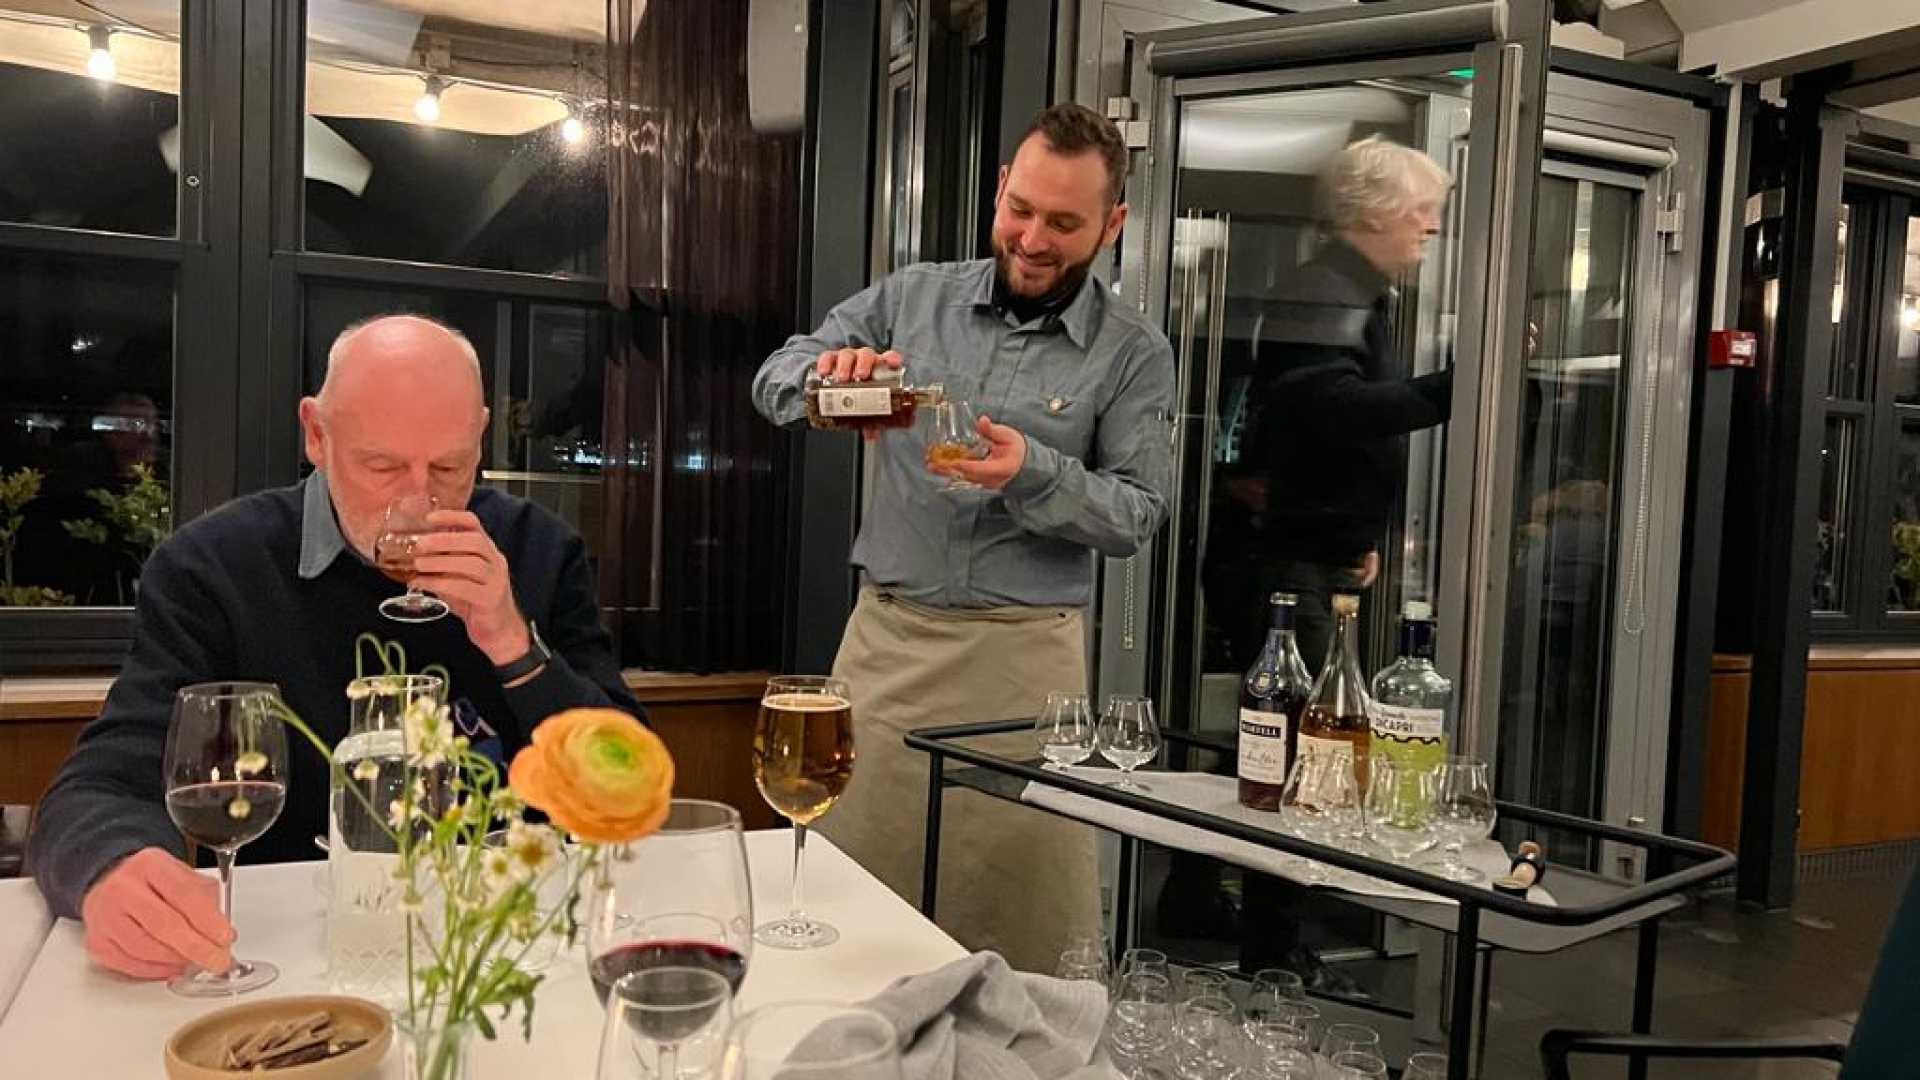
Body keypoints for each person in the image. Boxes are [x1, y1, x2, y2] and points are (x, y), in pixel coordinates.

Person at [27, 314, 642, 980]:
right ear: (317, 435)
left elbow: (629, 790)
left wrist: (513, 644)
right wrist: (112, 865)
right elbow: (100, 785)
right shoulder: (213, 568)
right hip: (296, 956)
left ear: (481, 434)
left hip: (509, 946)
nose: (419, 500)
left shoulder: (540, 550)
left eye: (449, 466)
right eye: (382, 465)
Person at [752, 103, 1174, 973]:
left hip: (1025, 674)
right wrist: (831, 382)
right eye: (1021, 209)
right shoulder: (913, 298)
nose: (1033, 239)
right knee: (845, 929)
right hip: (888, 654)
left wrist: (1033, 473)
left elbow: (1137, 513)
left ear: (1113, 225)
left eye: (1064, 223)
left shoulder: (1134, 352)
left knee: (1023, 948)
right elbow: (775, 378)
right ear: (1000, 188)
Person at [1201, 136, 1455, 992]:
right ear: (1374, 213)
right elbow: (1330, 410)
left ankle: (1200, 898)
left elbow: (1317, 435)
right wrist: (1457, 387)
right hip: (1283, 561)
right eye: (1422, 210)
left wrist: (1355, 535)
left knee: (1276, 738)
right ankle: (1275, 958)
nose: (1431, 225)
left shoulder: (1354, 292)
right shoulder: (1324, 289)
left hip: (1309, 553)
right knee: (1305, 751)